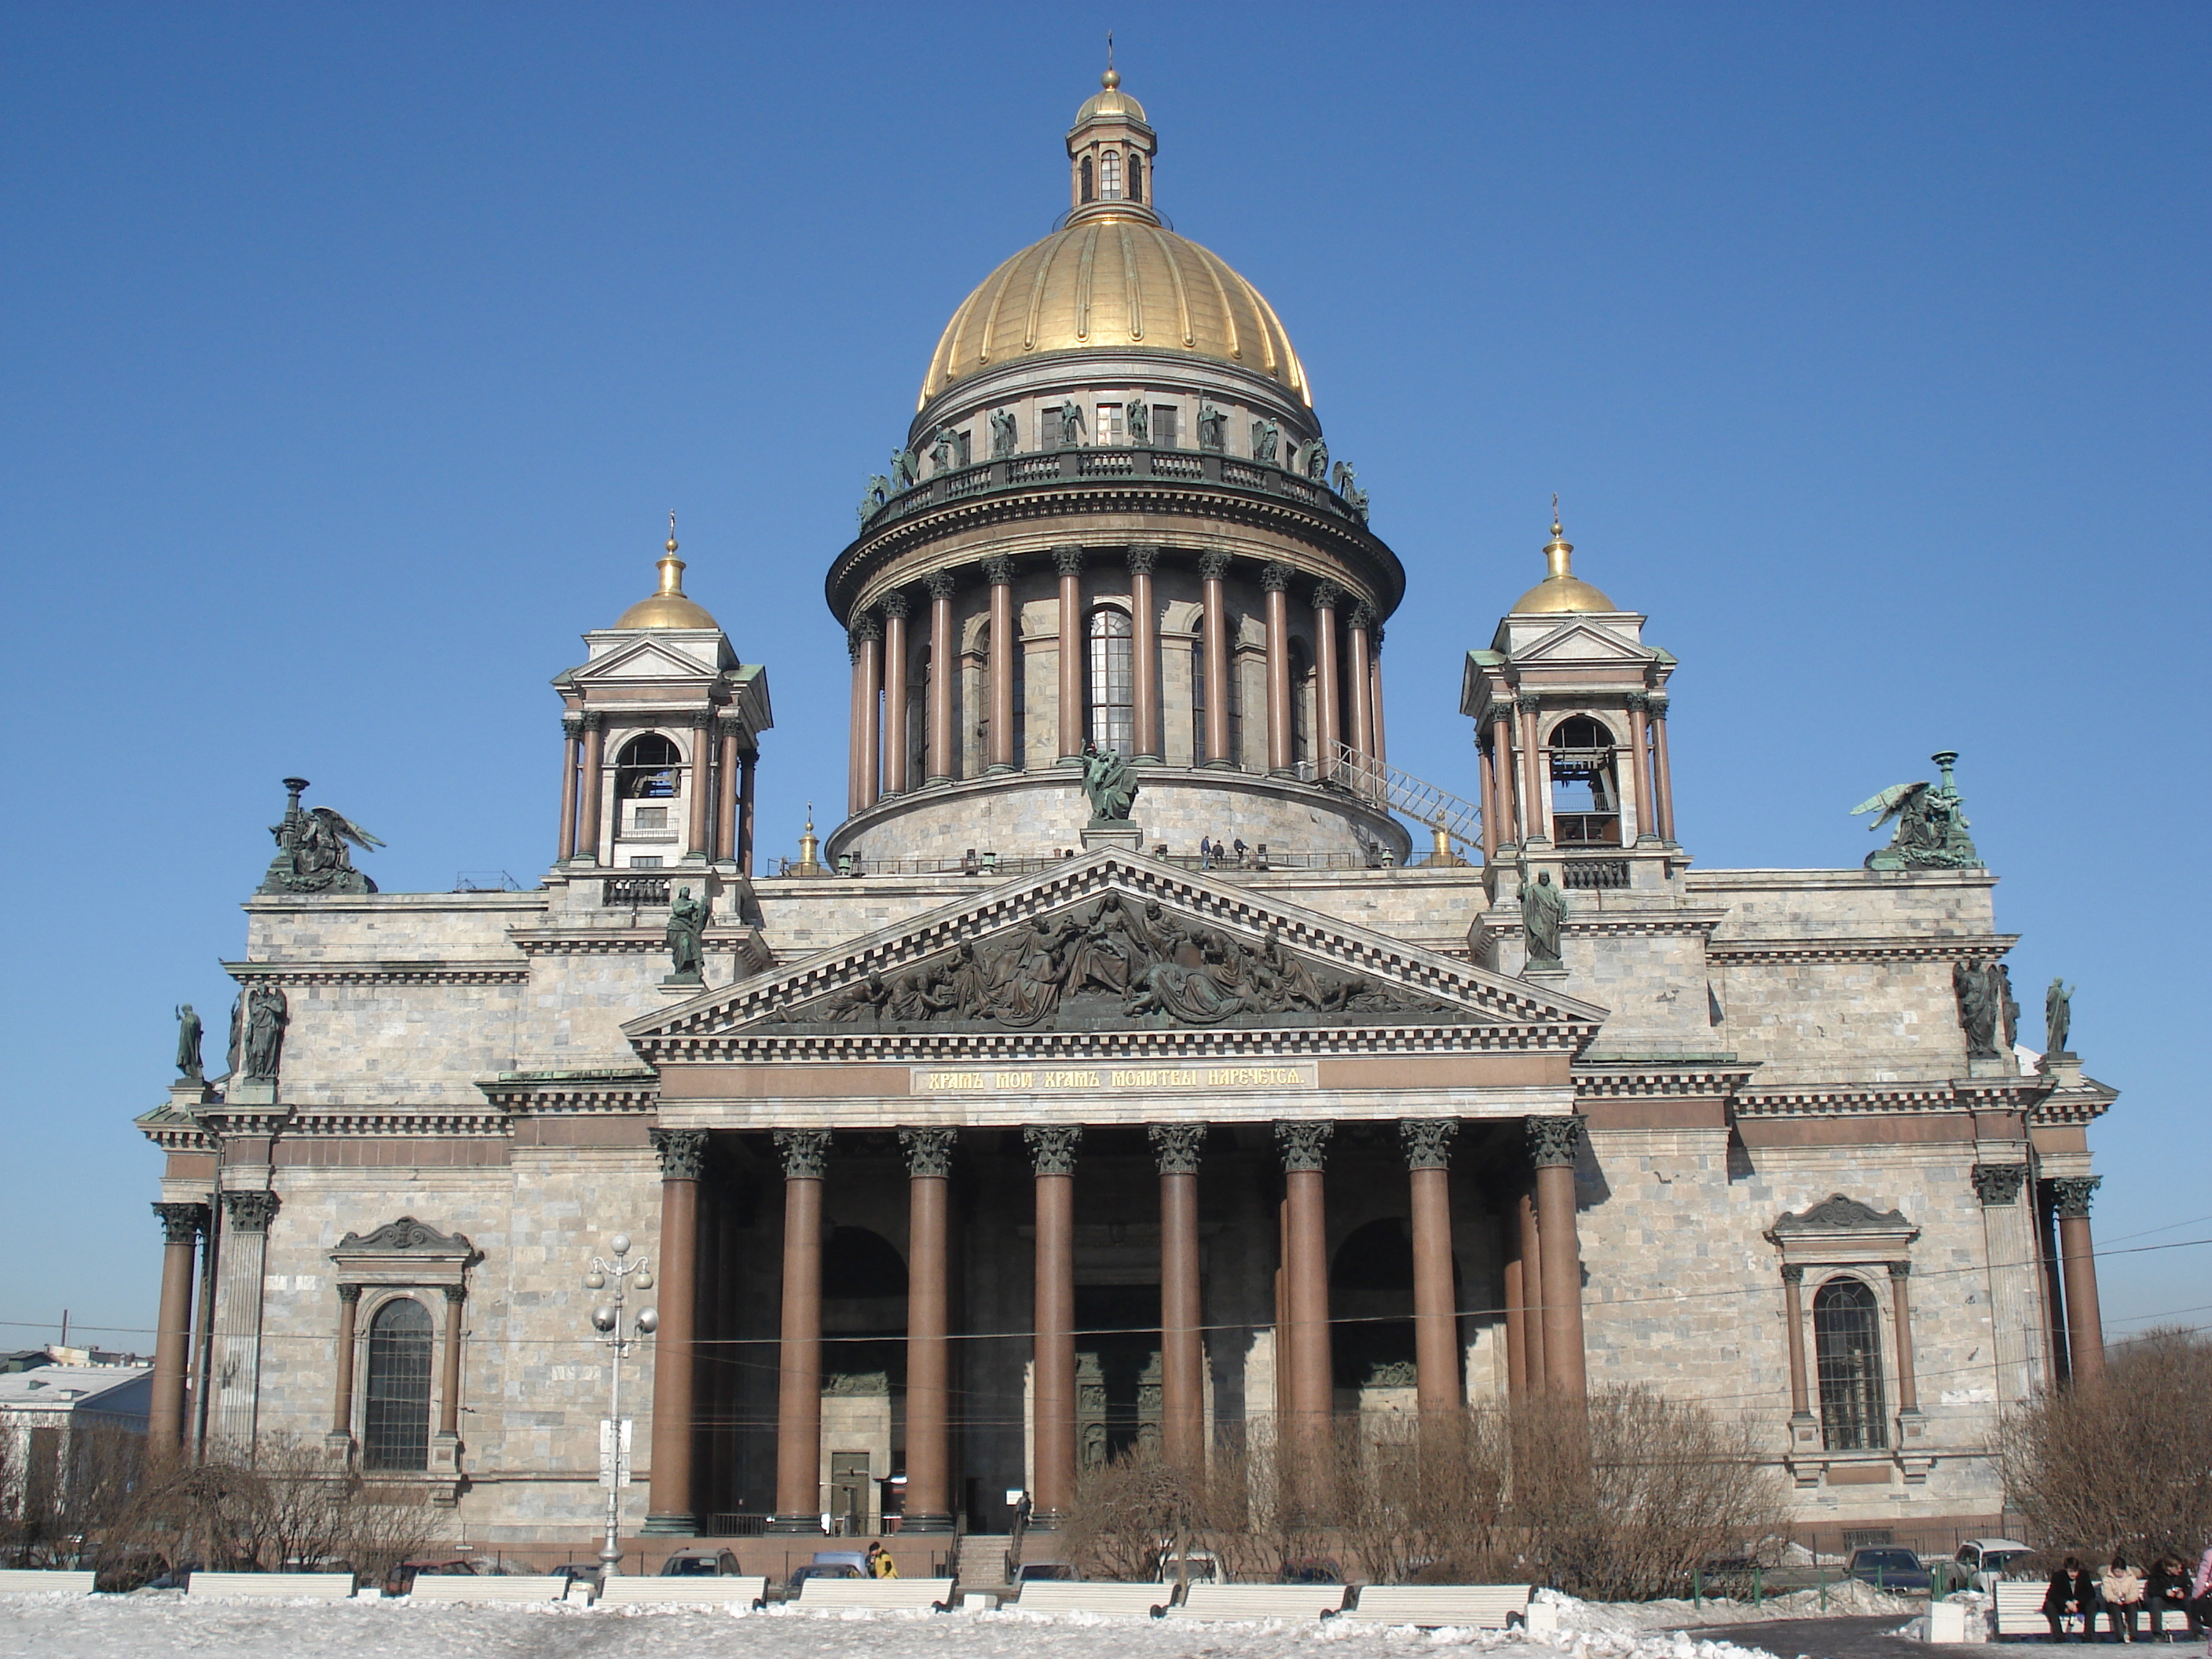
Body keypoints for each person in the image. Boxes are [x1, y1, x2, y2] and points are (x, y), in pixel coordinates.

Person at [2045, 1557, 2097, 1642]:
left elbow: (2090, 1593)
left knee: (2092, 1603)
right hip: (2063, 1606)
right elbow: (2052, 1595)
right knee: (2049, 1605)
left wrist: (2077, 1601)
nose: (2073, 1574)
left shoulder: (2084, 1575)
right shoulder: (2058, 1576)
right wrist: (2066, 1603)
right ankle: (2059, 1636)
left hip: (2079, 1605)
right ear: (2066, 1570)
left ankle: (2088, 1635)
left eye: (2075, 1571)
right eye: (2070, 1571)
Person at [2100, 1555, 2144, 1642]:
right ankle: (2120, 1636)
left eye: (2121, 1572)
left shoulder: (2131, 1578)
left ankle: (2133, 1635)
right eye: (2117, 1572)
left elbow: (2135, 1592)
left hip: (2128, 1601)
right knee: (2115, 1610)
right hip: (2113, 1602)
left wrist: (2127, 1599)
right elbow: (2107, 1593)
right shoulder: (2107, 1578)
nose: (2119, 1574)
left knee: (2132, 1608)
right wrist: (2116, 1599)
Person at [2143, 1556, 2191, 1636]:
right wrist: (2165, 1593)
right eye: (2178, 1568)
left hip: (2178, 1601)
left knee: (2190, 1601)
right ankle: (2158, 1633)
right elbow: (2152, 1591)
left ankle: (2198, 1632)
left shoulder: (2183, 1575)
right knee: (2156, 1601)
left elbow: (2189, 1587)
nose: (2180, 1570)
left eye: (2181, 1568)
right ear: (2169, 1568)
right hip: (2164, 1601)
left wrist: (2184, 1593)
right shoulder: (2157, 1576)